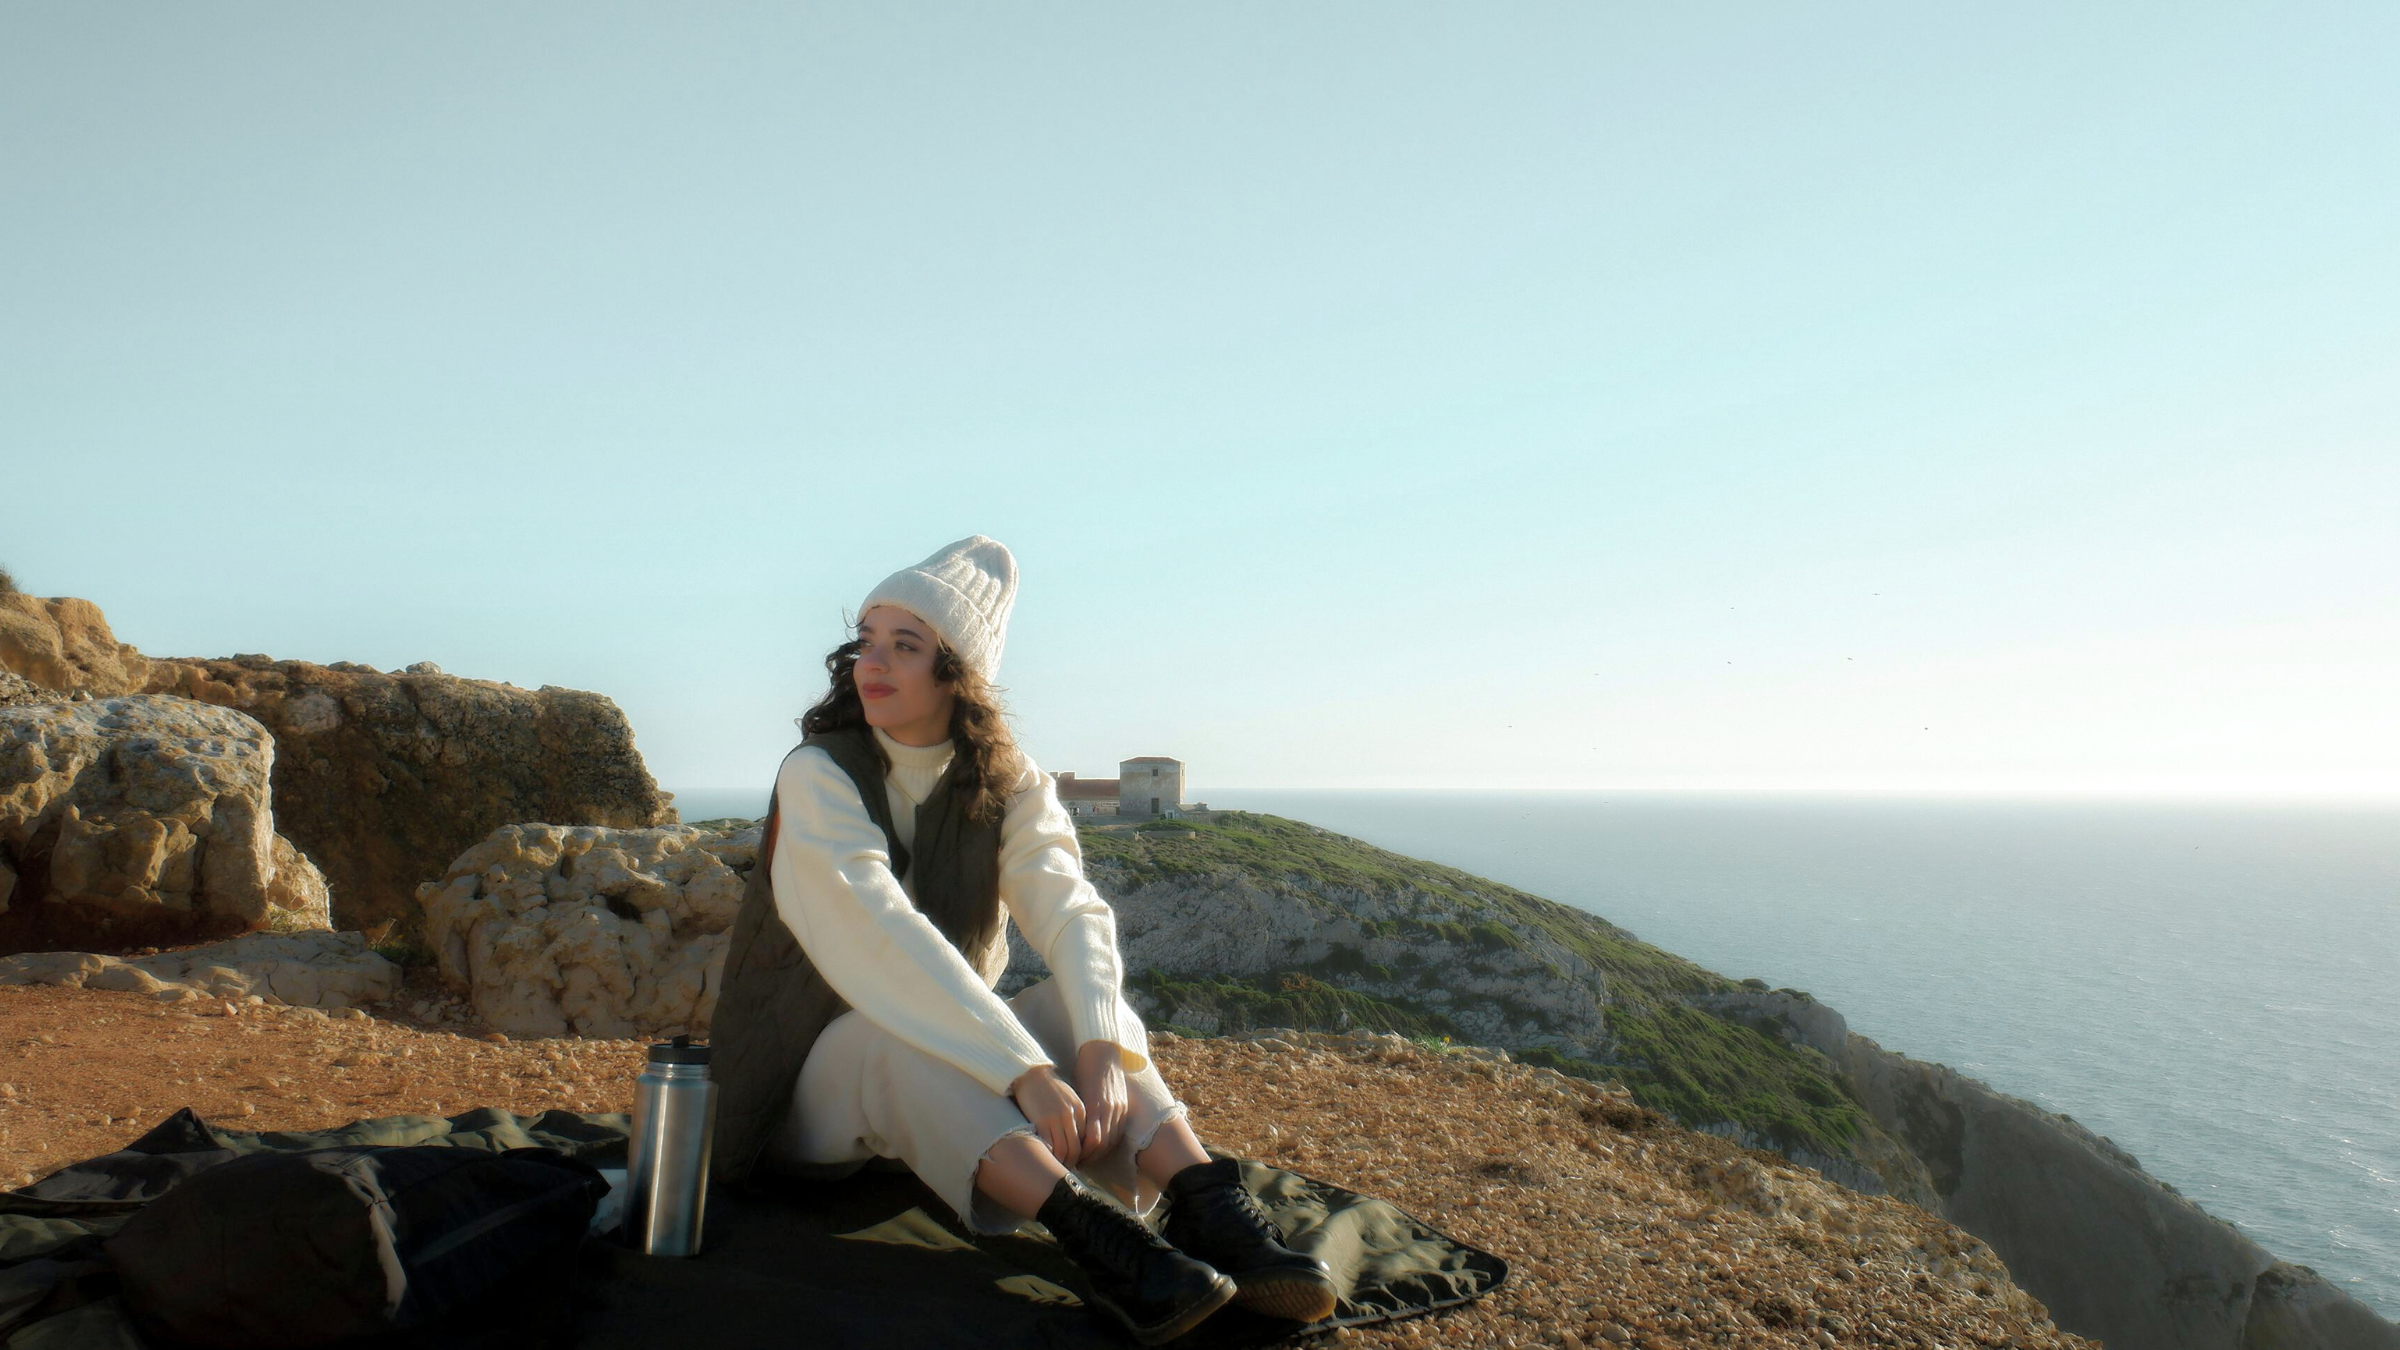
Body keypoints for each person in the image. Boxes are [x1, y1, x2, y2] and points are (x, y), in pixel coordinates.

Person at [708, 536, 1336, 1345]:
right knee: (885, 1036)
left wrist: (1103, 1047)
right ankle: (1099, 1240)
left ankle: (1211, 1210)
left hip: (944, 1103)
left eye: (906, 645)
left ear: (957, 671)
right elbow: (879, 933)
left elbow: (1071, 910)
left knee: (1075, 1012)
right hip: (793, 1102)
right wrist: (1026, 1073)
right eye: (866, 640)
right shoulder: (817, 773)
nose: (874, 662)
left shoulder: (1010, 783)